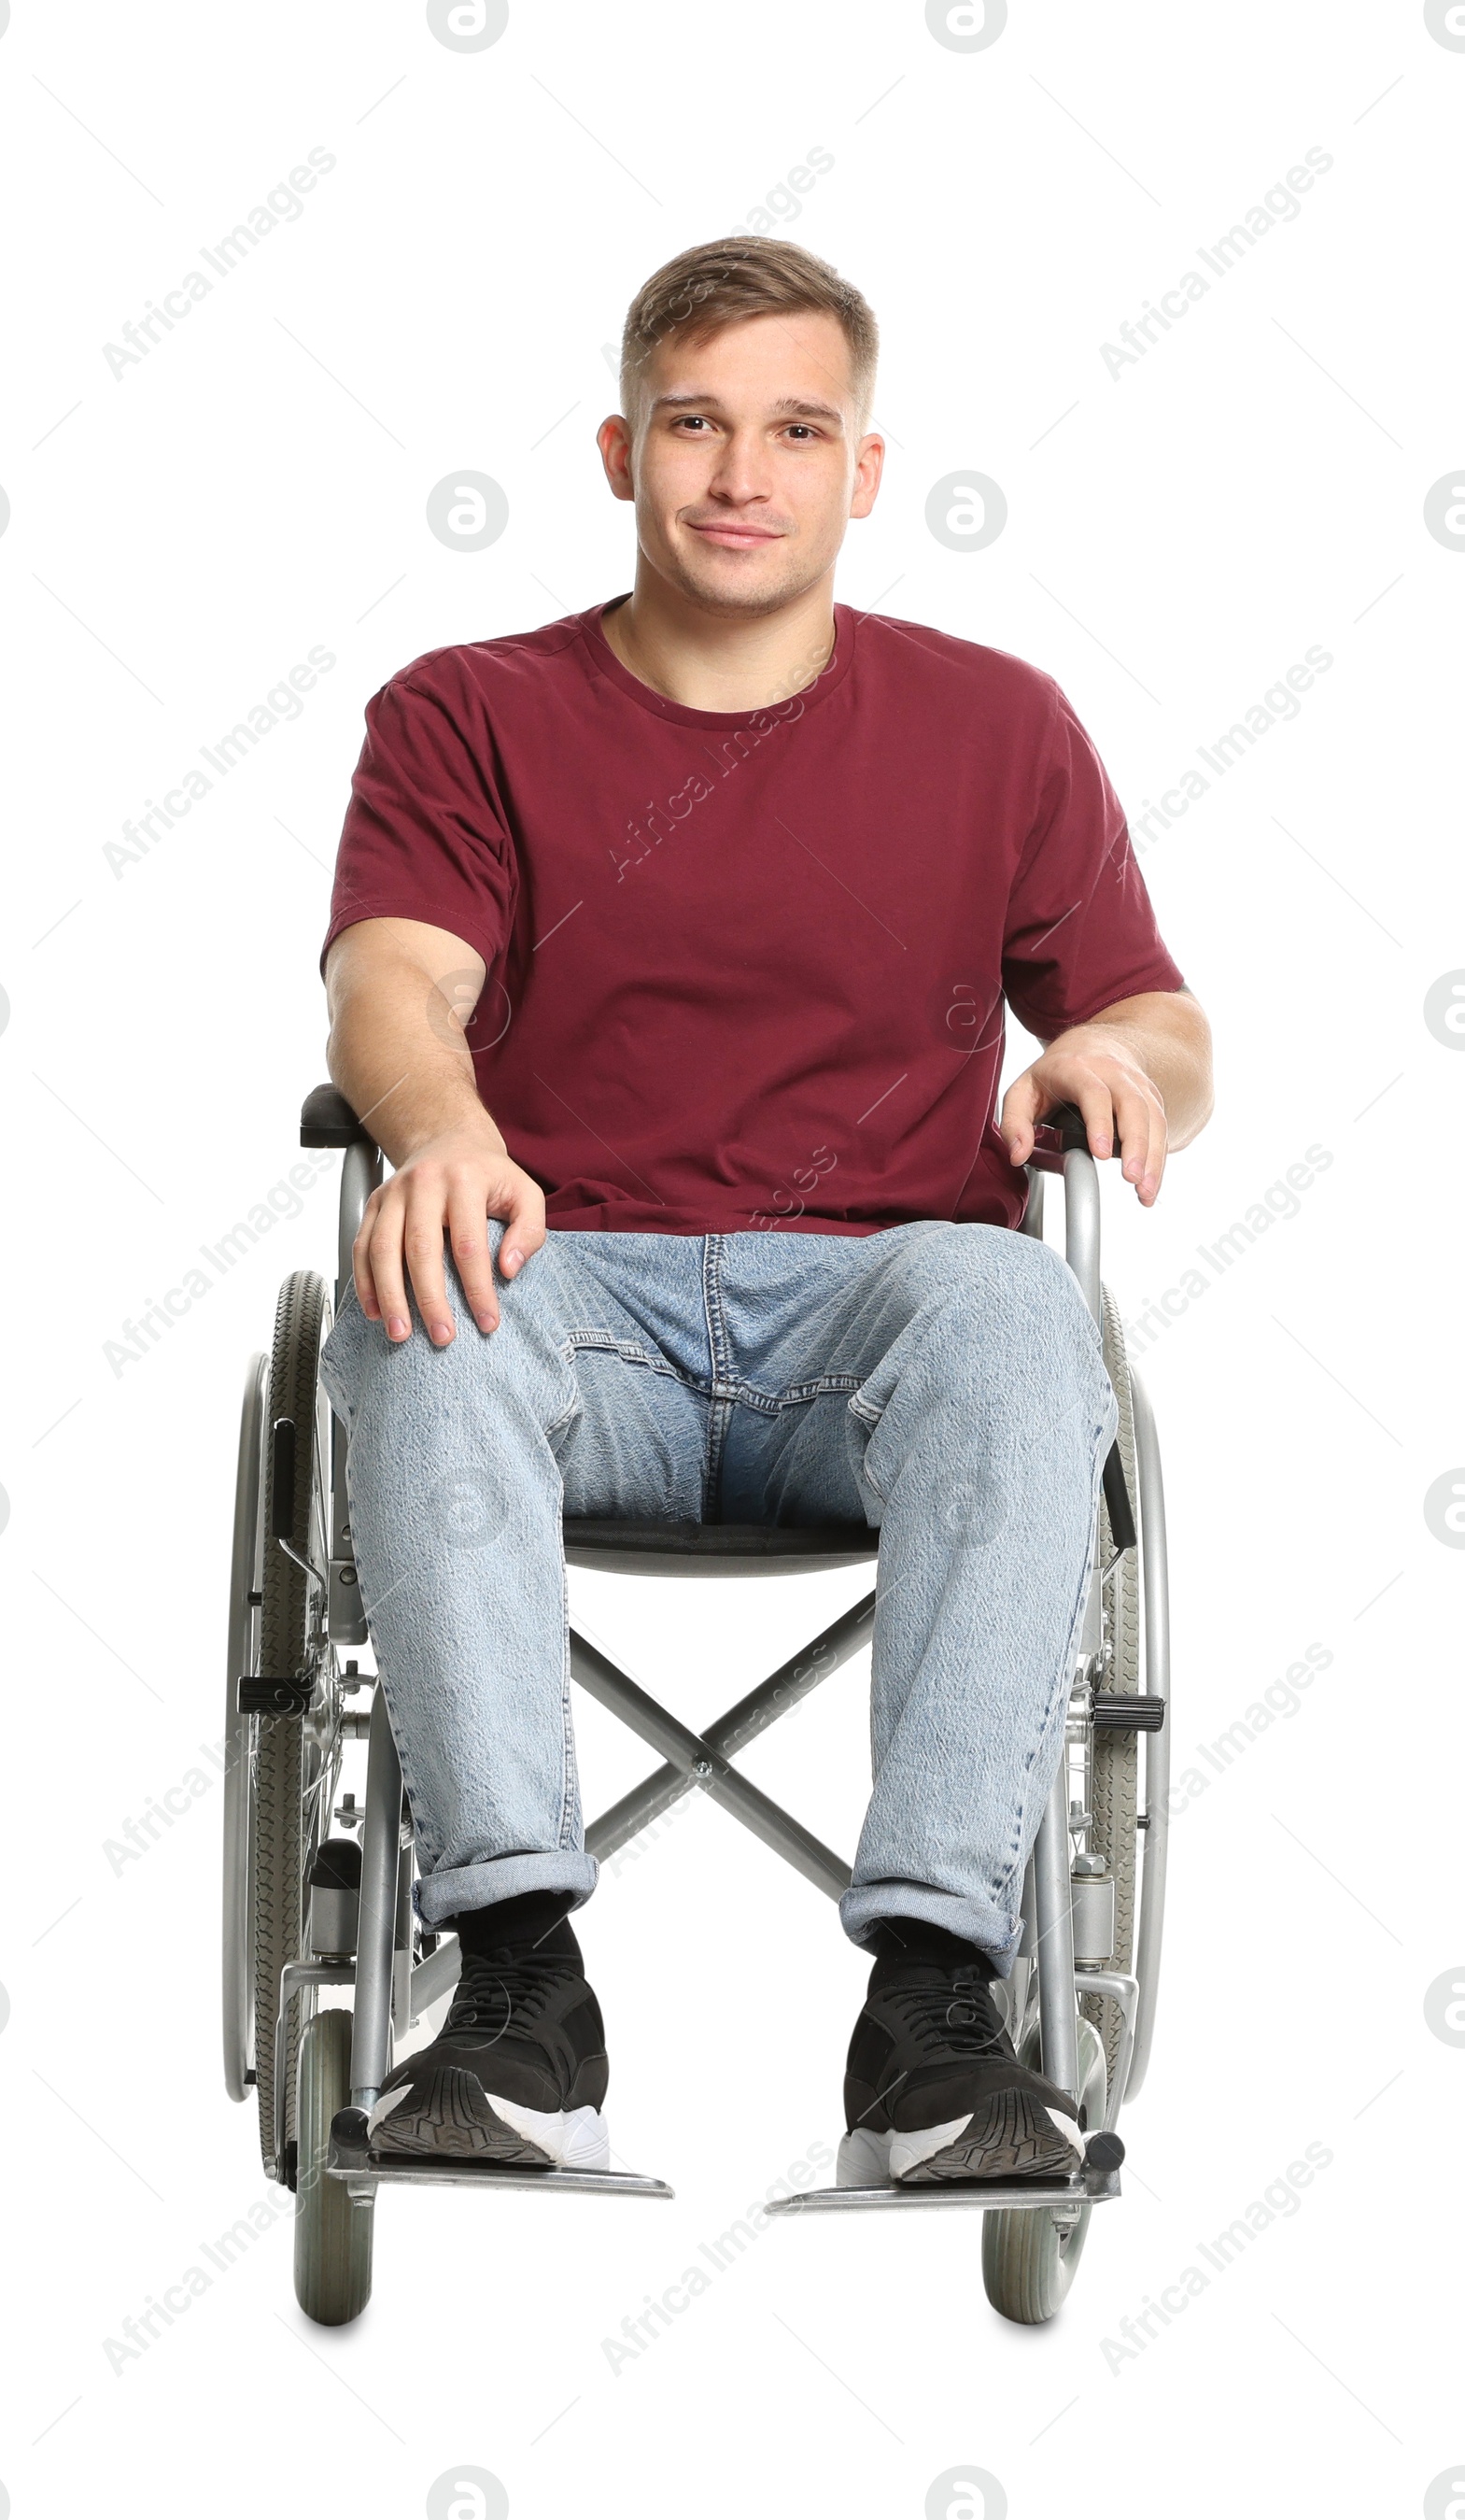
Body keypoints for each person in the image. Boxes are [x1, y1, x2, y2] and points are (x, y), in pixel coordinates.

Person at [317, 235, 1212, 2188]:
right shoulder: (467, 711)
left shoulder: (995, 727)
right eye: (700, 425)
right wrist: (445, 1125)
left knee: (1010, 1305)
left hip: (878, 1316)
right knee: (414, 1287)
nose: (743, 472)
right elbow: (392, 979)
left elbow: (1150, 1009)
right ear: (621, 449)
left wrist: (1120, 1069)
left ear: (860, 470)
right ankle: (516, 1983)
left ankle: (934, 1999)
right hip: (570, 1288)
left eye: (794, 428)